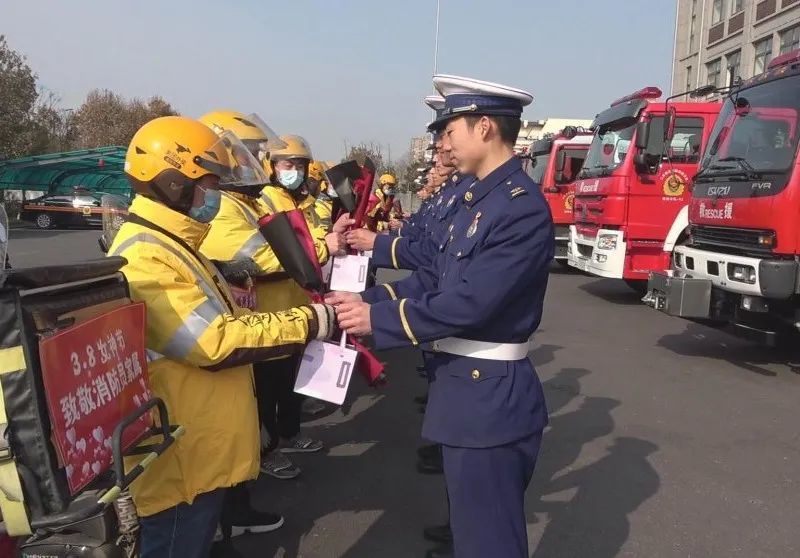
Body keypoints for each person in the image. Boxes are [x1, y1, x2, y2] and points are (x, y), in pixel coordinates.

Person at [328, 75, 552, 558]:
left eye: (452, 129)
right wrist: (368, 305)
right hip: (466, 391)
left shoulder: (519, 208)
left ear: (485, 127)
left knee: (488, 543)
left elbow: (471, 301)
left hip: (489, 394)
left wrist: (377, 322)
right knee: (473, 534)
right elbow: (435, 278)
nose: (444, 141)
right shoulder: (482, 199)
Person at [107, 116, 336, 558]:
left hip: (197, 447)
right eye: (209, 183)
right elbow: (214, 341)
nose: (215, 195)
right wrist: (308, 322)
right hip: (181, 460)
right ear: (174, 183)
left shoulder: (173, 243)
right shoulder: (147, 256)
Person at [256, 135, 349, 479]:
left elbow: (312, 240)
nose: (293, 171)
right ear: (271, 167)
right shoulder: (264, 201)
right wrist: (324, 247)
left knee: (290, 381)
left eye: (299, 165)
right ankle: (266, 450)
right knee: (267, 388)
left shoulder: (304, 201)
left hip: (300, 304)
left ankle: (290, 433)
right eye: (286, 164)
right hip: (268, 310)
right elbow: (279, 254)